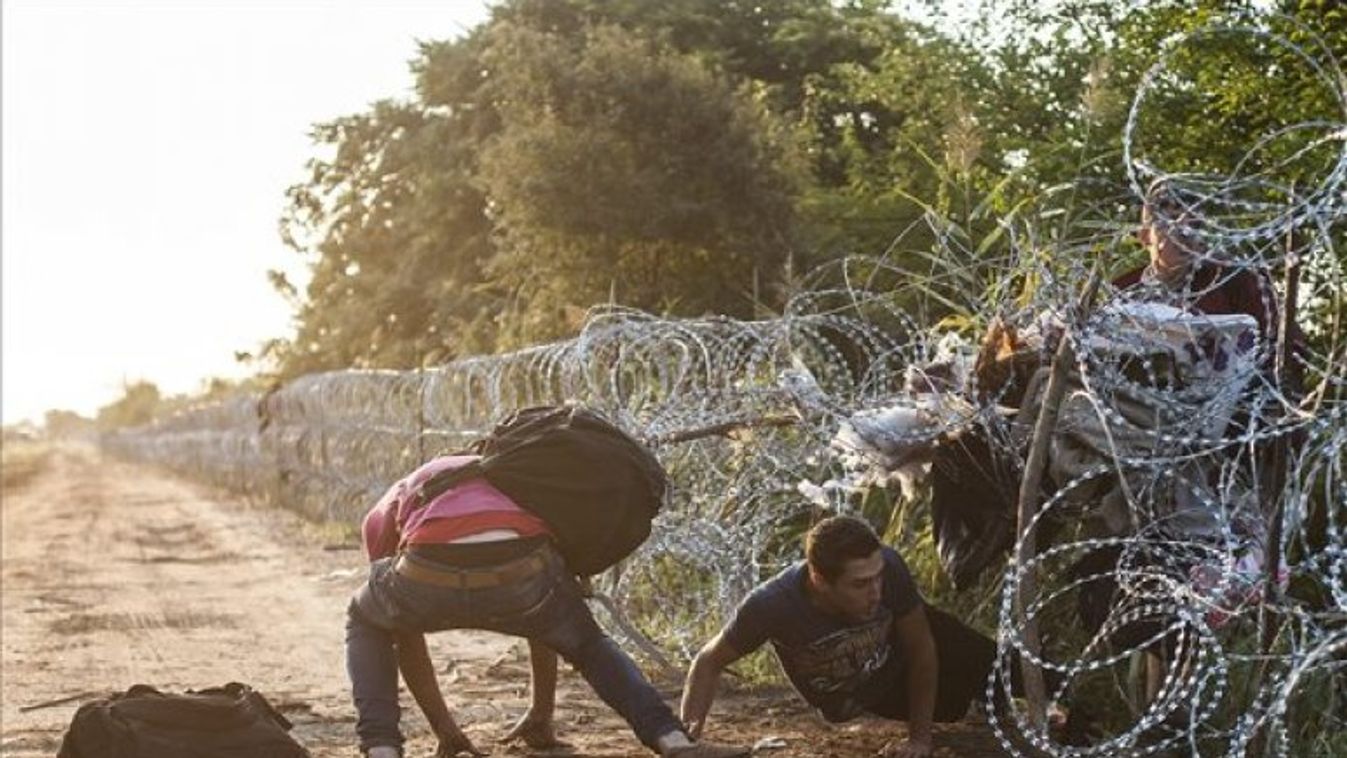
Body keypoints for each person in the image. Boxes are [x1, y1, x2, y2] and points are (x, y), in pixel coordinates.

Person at [346, 454, 748, 758]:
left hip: (428, 566)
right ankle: (672, 739)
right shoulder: (518, 478)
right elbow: (544, 622)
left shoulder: (400, 495)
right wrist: (541, 713)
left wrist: (445, 729)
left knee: (367, 618)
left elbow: (402, 630)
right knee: (588, 644)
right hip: (523, 566)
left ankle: (381, 748)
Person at [681, 515, 1009, 758]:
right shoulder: (771, 605)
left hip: (899, 652)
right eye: (860, 584)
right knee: (953, 707)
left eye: (878, 577)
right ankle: (991, 703)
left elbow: (921, 647)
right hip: (864, 692)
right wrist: (687, 740)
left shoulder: (888, 567)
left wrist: (919, 740)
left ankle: (1030, 687)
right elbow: (708, 661)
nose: (876, 591)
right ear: (819, 580)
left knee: (962, 642)